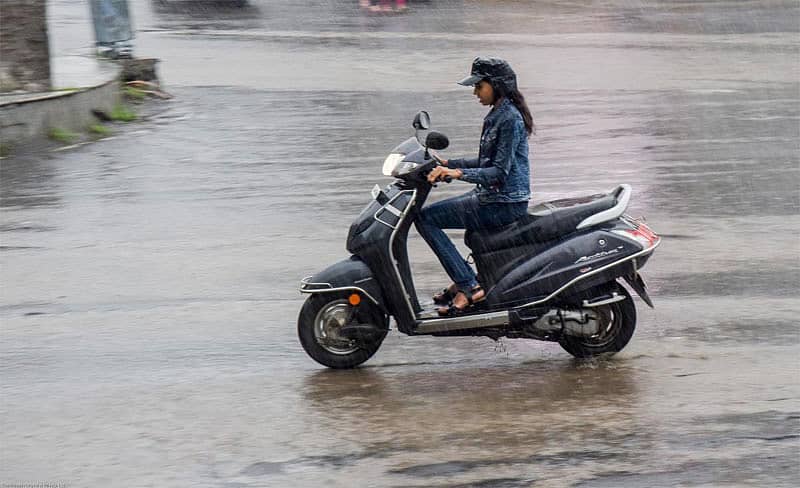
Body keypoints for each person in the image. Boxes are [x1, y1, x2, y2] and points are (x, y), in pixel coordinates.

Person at [416, 56, 535, 316]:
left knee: (426, 219)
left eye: (479, 86)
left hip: (504, 202)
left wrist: (456, 173)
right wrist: (448, 163)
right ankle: (467, 279)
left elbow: (497, 172)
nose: (475, 92)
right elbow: (486, 161)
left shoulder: (509, 119)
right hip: (493, 196)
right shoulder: (498, 114)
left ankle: (468, 285)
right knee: (436, 217)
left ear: (496, 85)